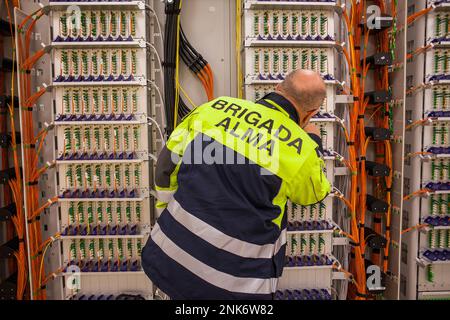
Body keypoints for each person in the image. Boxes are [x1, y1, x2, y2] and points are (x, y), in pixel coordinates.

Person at [141, 69, 332, 299]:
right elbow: (314, 193)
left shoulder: (214, 108)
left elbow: (166, 167)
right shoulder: (302, 149)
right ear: (310, 114)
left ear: (278, 88)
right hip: (237, 286)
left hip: (167, 257)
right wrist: (313, 140)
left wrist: (169, 216)